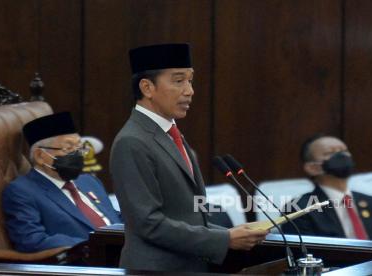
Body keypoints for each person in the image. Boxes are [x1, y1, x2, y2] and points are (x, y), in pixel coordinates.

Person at [110, 43, 268, 272]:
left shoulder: (170, 133)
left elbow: (187, 216)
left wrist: (232, 234)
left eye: (190, 80)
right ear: (147, 87)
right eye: (178, 81)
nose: (189, 90)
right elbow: (148, 224)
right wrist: (224, 239)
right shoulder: (132, 141)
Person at [2, 112, 122, 253]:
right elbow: (31, 240)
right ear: (40, 156)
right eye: (68, 148)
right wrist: (96, 244)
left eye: (79, 147)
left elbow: (114, 217)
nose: (77, 154)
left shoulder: (88, 181)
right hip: (86, 262)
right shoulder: (22, 191)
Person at [282, 134, 372, 241]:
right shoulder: (299, 209)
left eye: (344, 151)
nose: (341, 156)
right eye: (330, 153)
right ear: (312, 168)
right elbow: (304, 255)